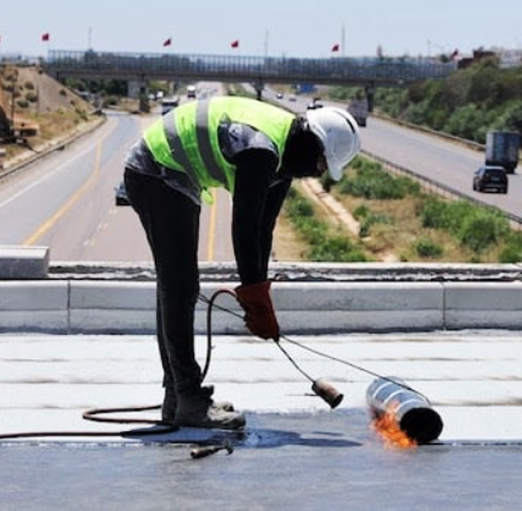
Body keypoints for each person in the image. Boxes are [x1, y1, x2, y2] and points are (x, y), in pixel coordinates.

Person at [122, 96, 360, 430]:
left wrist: (259, 296)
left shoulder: (285, 158)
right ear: (312, 143)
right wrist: (253, 297)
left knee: (178, 286)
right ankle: (187, 398)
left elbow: (264, 229)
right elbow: (244, 228)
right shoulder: (262, 150)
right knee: (180, 286)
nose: (318, 173)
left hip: (172, 175)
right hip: (154, 172)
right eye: (322, 163)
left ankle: (178, 398)